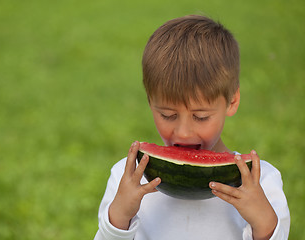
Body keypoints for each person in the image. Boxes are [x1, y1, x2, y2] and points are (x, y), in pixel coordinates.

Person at [94, 15, 290, 240]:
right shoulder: (127, 178)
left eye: (201, 117)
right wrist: (119, 217)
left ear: (232, 101)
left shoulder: (262, 182)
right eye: (168, 115)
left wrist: (263, 222)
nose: (183, 132)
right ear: (150, 101)